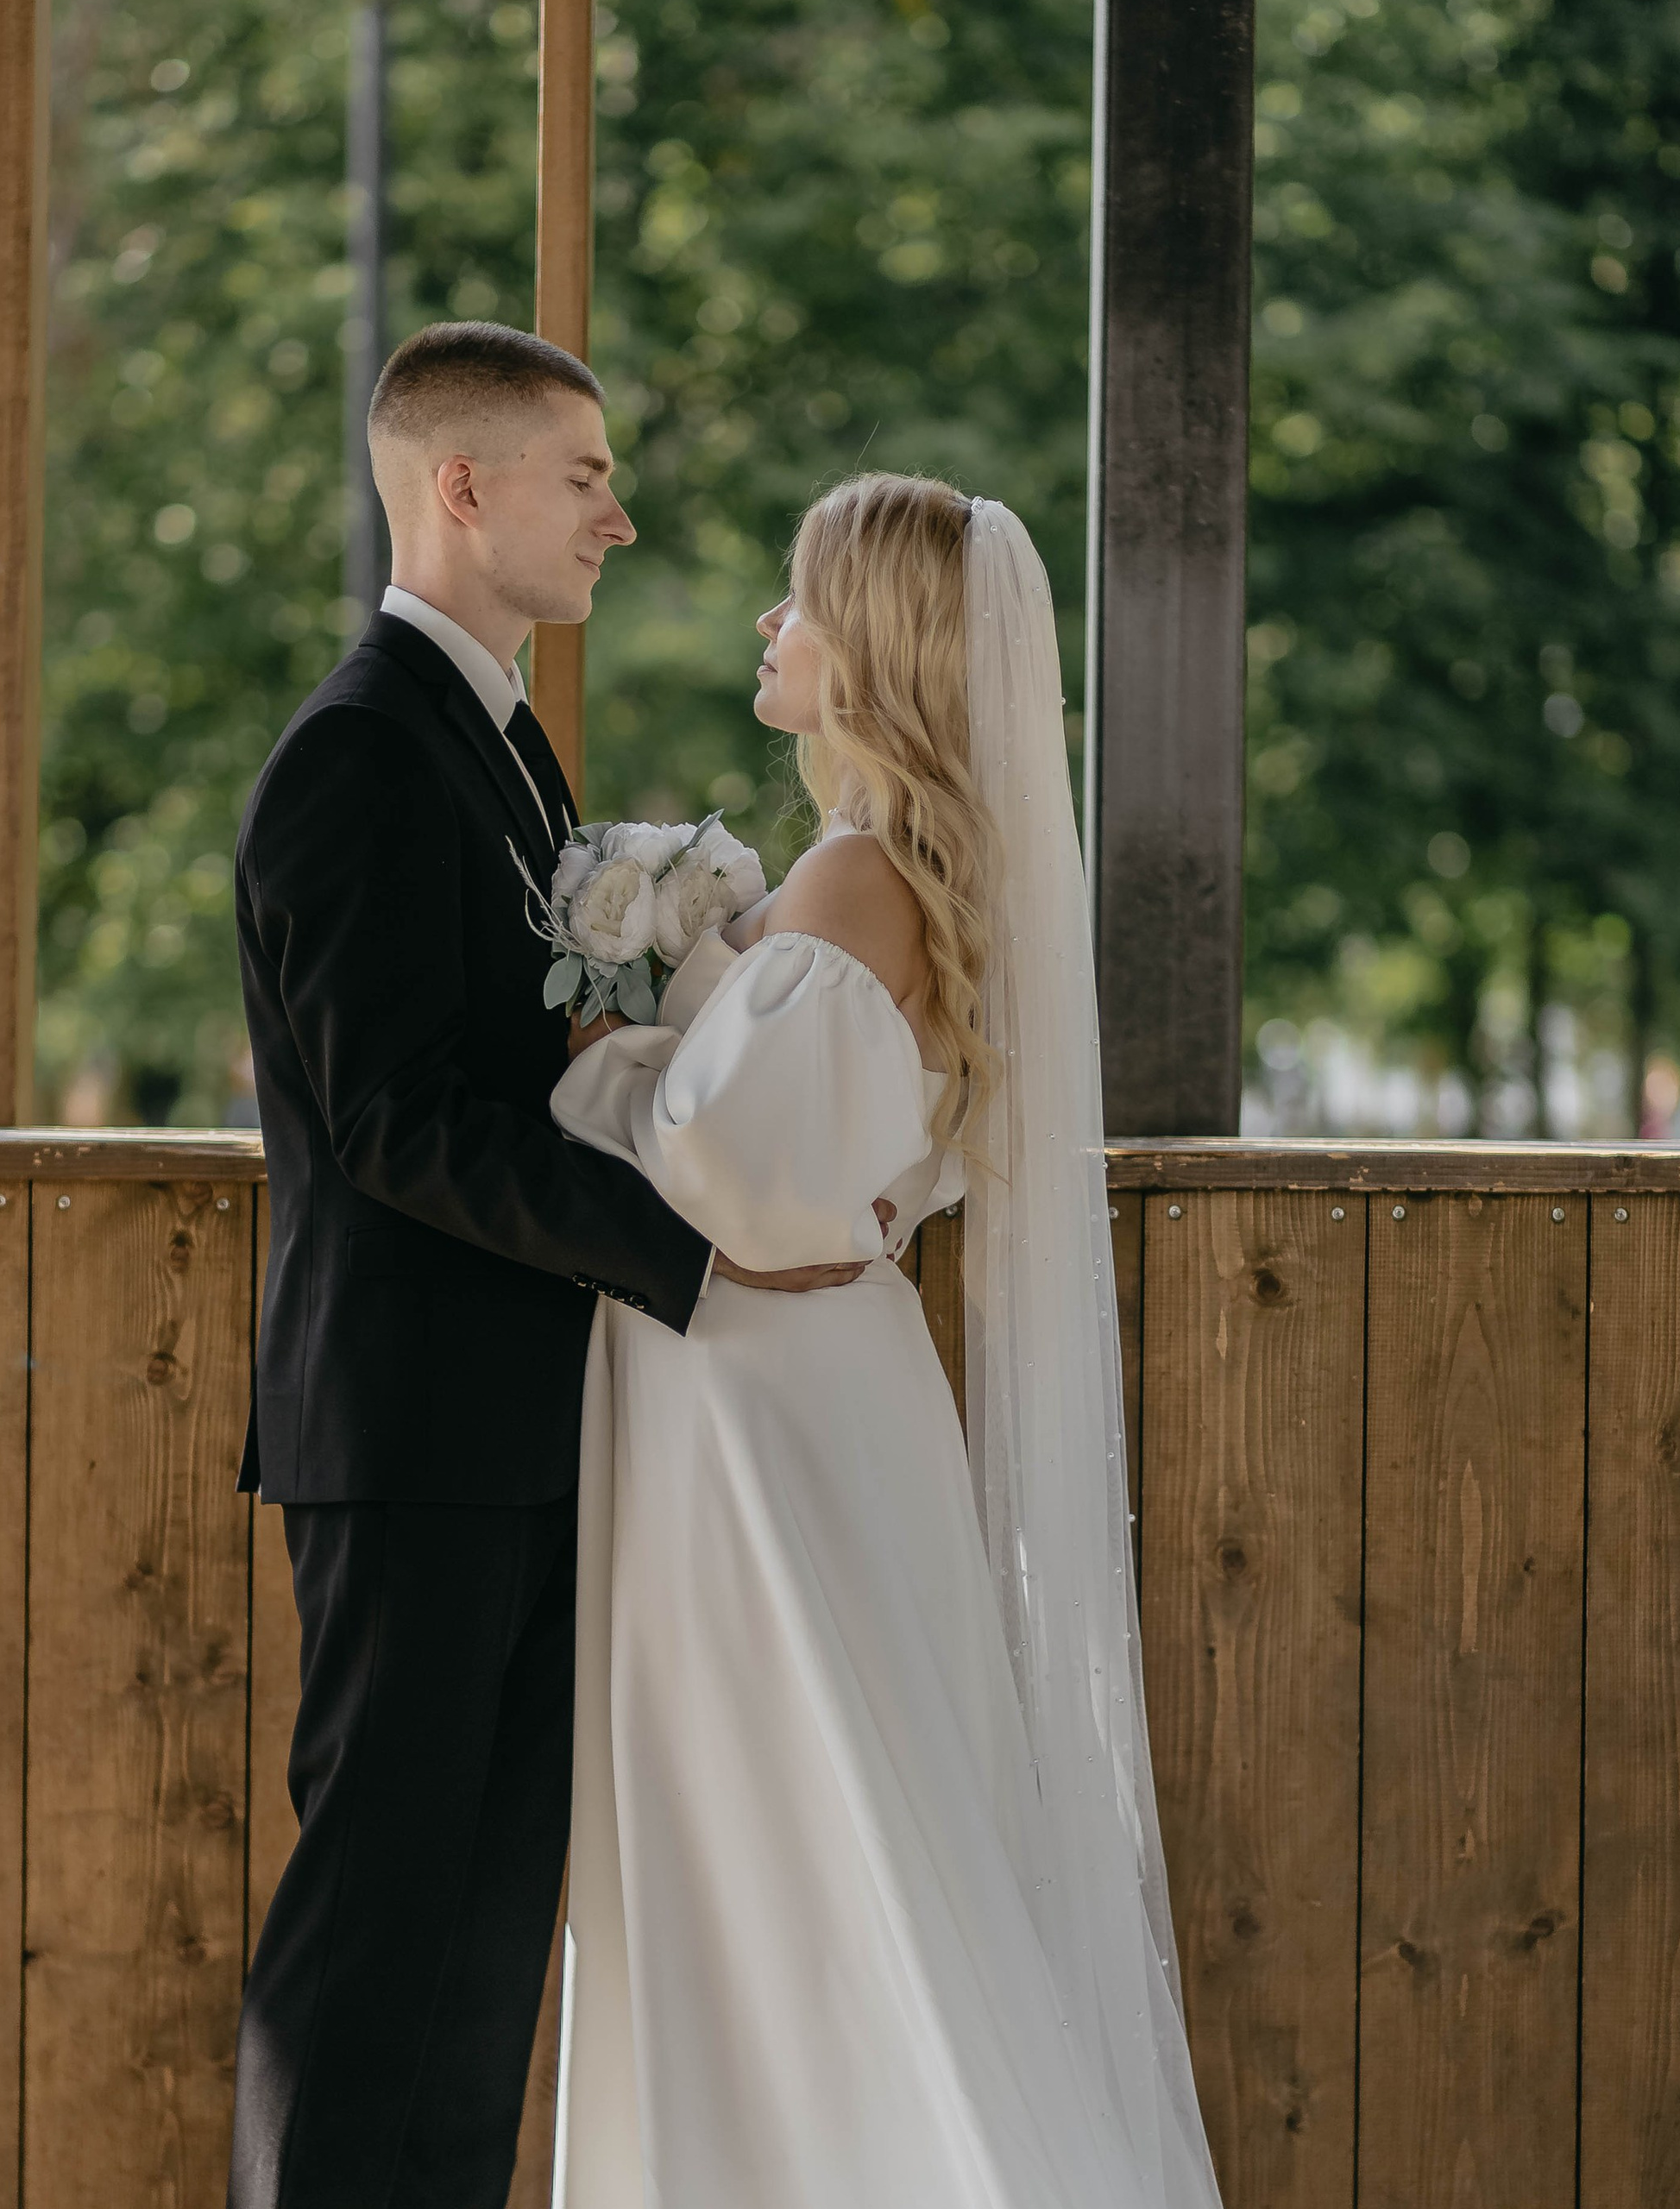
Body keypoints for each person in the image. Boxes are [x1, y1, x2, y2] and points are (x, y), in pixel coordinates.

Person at [227, 321, 862, 2209]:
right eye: (583, 476)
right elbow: (392, 1119)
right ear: (459, 484)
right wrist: (695, 1249)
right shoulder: (354, 751)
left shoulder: (497, 743)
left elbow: (513, 1063)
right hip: (410, 1438)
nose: (621, 516)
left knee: (482, 1943)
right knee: (371, 1943)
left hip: (524, 1428)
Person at [551, 475, 1226, 2206]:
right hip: (802, 1392)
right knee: (825, 1838)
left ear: (873, 643)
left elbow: (743, 1180)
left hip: (763, 1415)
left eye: (798, 599)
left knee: (795, 1845)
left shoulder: (855, 871)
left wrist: (611, 1055)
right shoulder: (900, 864)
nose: (771, 628)